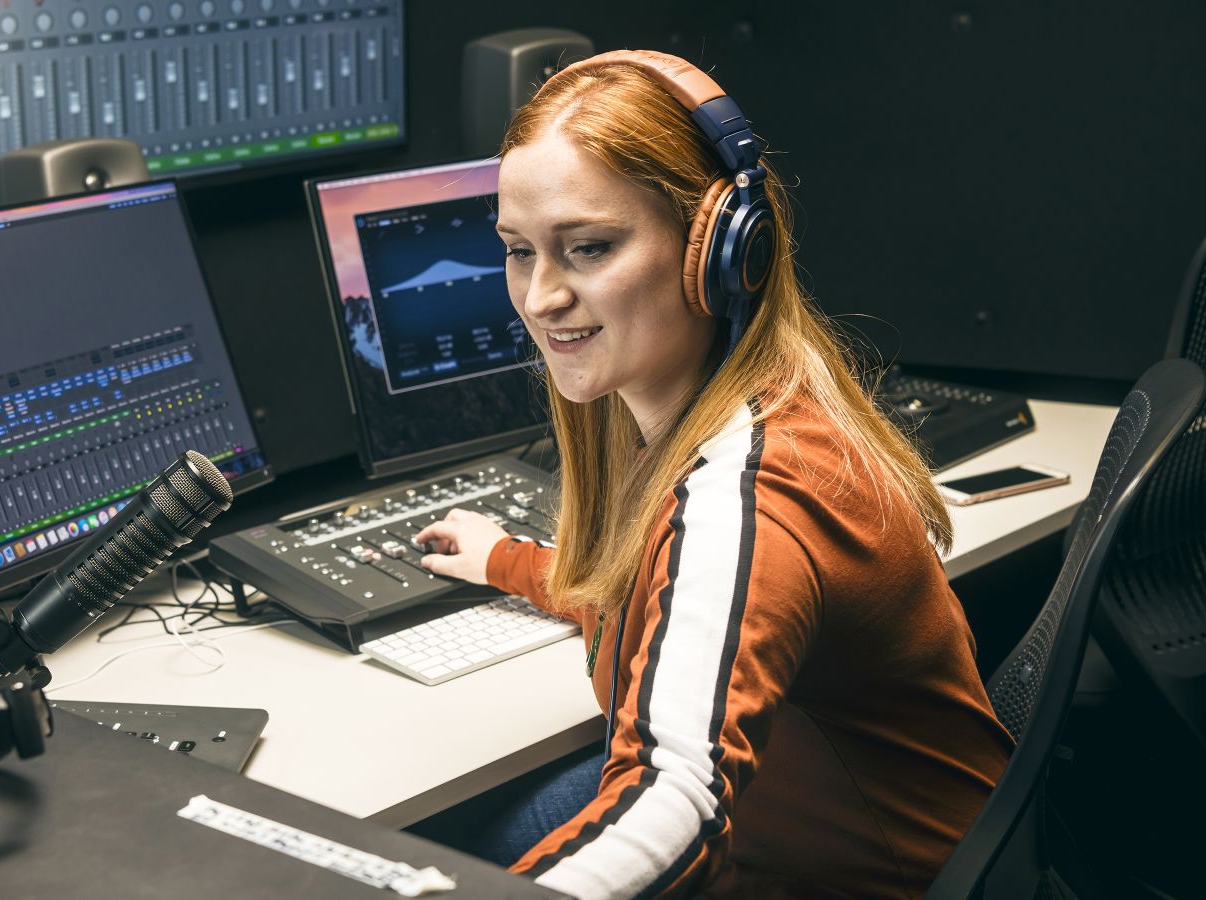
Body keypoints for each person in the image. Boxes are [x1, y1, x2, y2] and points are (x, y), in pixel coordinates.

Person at [413, 50, 1013, 899]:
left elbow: (675, 800)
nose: (541, 297)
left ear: (723, 251)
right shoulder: (706, 413)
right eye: (519, 251)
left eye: (588, 248)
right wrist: (509, 561)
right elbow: (670, 595)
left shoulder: (751, 491)